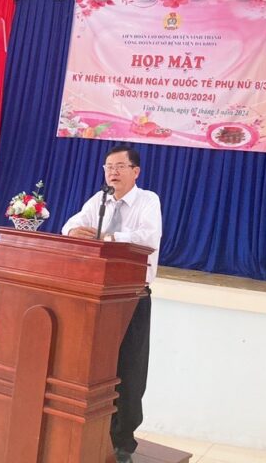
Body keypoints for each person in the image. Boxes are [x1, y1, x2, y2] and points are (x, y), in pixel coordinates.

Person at [62, 145, 162, 463]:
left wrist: (106, 239)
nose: (113, 172)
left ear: (136, 171)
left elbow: (146, 238)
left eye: (119, 166)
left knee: (129, 367)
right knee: (96, 366)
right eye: (108, 166)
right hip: (98, 295)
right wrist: (75, 231)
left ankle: (123, 440)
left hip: (133, 296)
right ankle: (94, 432)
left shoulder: (148, 201)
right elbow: (70, 226)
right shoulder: (100, 200)